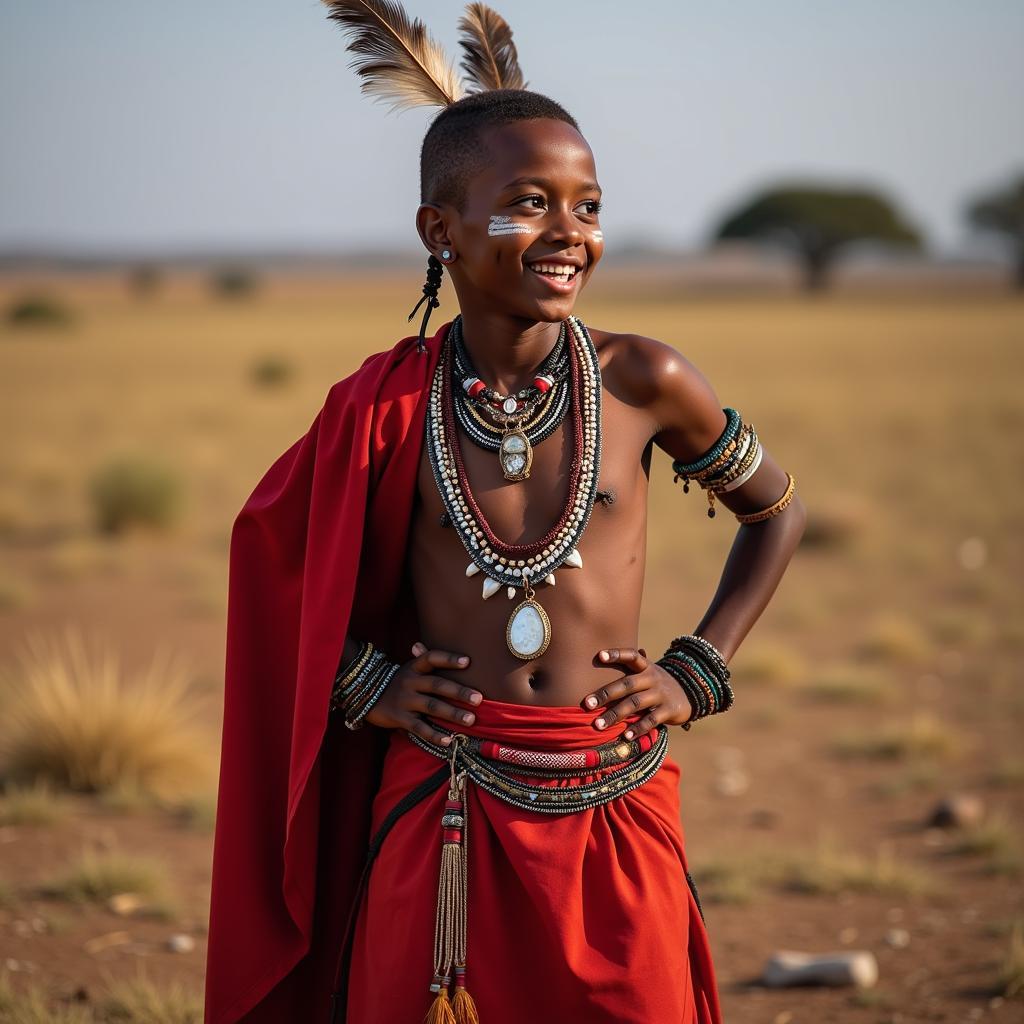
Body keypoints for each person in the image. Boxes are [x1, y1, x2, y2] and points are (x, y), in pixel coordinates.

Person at [204, 5, 806, 1023]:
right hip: (443, 801)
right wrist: (367, 682)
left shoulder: (643, 378)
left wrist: (697, 669)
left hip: (613, 795)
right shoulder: (385, 404)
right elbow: (274, 567)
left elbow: (776, 511)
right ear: (438, 230)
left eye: (588, 204)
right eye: (530, 203)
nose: (571, 232)